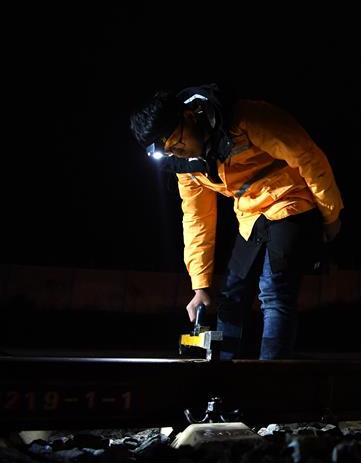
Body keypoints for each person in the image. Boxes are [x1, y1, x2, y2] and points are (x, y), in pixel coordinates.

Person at [130, 84, 343, 359]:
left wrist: (330, 215)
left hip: (292, 200)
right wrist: (200, 285)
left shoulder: (246, 119)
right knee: (231, 298)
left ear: (189, 117)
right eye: (167, 151)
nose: (177, 152)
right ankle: (221, 381)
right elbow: (197, 218)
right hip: (251, 216)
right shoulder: (186, 166)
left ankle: (271, 382)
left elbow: (308, 156)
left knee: (274, 292)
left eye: (175, 142)